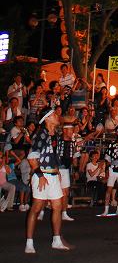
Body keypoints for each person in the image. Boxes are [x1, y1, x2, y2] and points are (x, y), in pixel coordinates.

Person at [25, 107, 71, 254]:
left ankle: (56, 240)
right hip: (42, 175)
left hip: (53, 175)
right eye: (54, 115)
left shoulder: (54, 135)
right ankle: (29, 242)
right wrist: (40, 176)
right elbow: (32, 157)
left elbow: (53, 156)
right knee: (36, 208)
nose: (57, 116)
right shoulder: (41, 135)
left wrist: (57, 171)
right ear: (47, 119)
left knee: (57, 206)